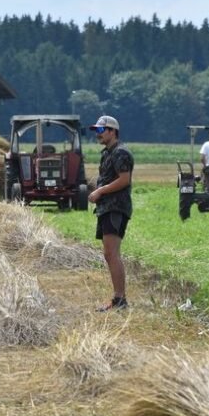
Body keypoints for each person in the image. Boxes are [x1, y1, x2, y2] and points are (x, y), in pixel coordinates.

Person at [87, 115, 134, 312]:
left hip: (115, 207)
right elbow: (109, 177)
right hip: (107, 207)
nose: (97, 134)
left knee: (111, 253)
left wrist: (100, 191)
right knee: (109, 254)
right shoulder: (108, 153)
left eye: (100, 130)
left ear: (112, 131)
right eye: (96, 131)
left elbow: (124, 180)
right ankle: (118, 298)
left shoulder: (121, 153)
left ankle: (120, 300)